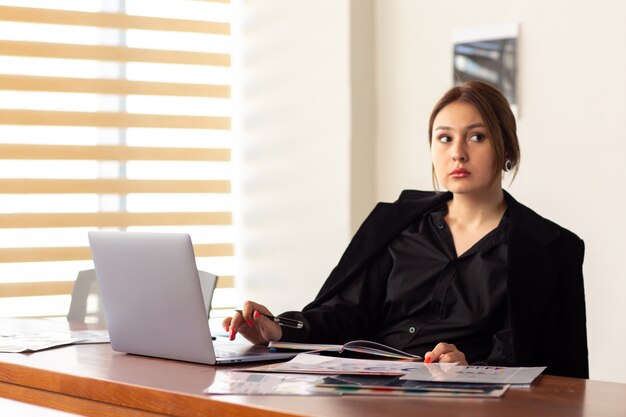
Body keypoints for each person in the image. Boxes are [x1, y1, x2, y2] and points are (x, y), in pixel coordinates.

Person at [224, 81, 589, 379]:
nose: (457, 153)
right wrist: (278, 330)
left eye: (476, 137)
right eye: (444, 138)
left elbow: (537, 362)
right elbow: (345, 312)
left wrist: (469, 370)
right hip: (369, 392)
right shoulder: (396, 222)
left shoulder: (549, 248)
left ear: (507, 148)